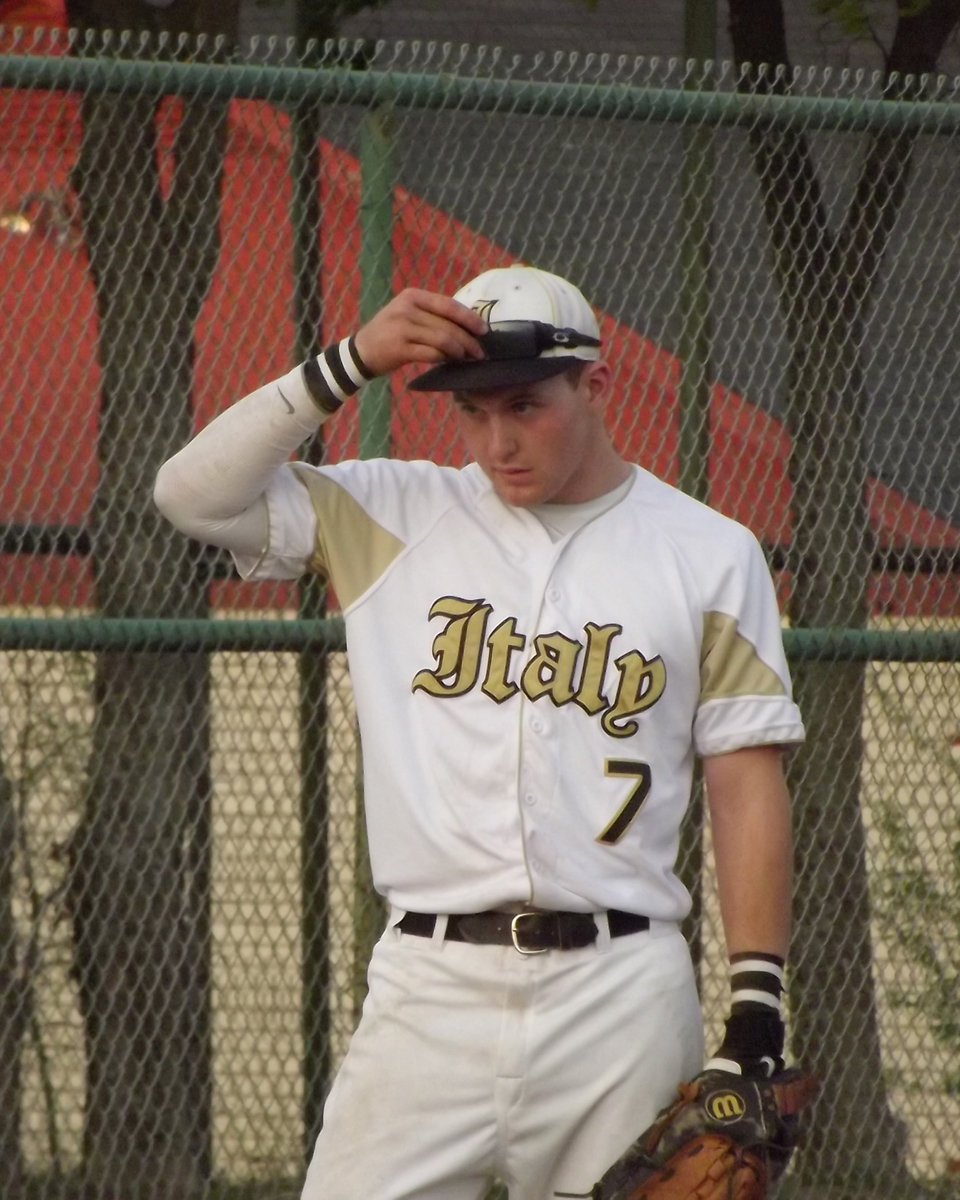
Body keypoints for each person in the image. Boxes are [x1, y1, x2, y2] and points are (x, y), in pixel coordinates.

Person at [154, 264, 804, 1200]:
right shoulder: (392, 512)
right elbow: (190, 495)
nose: (497, 441)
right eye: (473, 412)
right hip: (427, 988)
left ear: (596, 384)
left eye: (525, 406)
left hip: (619, 995)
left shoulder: (708, 552)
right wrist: (346, 365)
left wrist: (754, 1018)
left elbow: (747, 783)